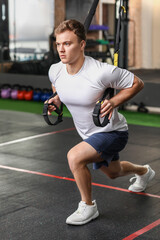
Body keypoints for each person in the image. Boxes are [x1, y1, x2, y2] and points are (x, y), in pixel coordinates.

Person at [47, 19, 155, 225]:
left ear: (81, 45)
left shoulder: (101, 71)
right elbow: (57, 85)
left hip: (112, 132)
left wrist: (113, 101)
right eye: (58, 44)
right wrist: (57, 99)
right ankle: (144, 172)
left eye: (67, 44)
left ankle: (88, 207)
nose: (61, 50)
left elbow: (136, 83)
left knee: (75, 157)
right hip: (89, 133)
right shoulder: (56, 70)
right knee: (114, 173)